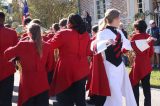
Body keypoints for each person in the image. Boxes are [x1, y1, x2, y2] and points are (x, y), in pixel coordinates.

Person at [90, 9, 156, 106]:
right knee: (113, 92)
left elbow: (128, 45)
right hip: (109, 67)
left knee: (124, 91)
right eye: (119, 18)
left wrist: (146, 41)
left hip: (120, 67)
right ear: (115, 19)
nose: (120, 20)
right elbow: (93, 46)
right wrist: (106, 42)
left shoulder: (119, 32)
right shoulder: (102, 33)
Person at [4, 23, 53, 106]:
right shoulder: (47, 46)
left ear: (29, 33)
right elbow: (50, 66)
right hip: (42, 82)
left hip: (27, 82)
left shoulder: (23, 44)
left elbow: (7, 54)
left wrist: (21, 41)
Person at [49, 13, 90, 106]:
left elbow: (50, 46)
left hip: (66, 70)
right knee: (80, 100)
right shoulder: (86, 35)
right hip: (82, 70)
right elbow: (88, 52)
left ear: (70, 23)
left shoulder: (64, 33)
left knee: (65, 100)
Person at [130, 20, 154, 106]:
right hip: (146, 64)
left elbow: (130, 49)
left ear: (136, 28)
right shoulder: (149, 36)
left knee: (135, 85)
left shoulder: (134, 37)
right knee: (147, 88)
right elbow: (151, 52)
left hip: (137, 65)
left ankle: (135, 104)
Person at [0, 12, 18, 106]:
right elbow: (16, 51)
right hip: (8, 69)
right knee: (6, 99)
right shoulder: (12, 33)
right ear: (3, 19)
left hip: (7, 68)